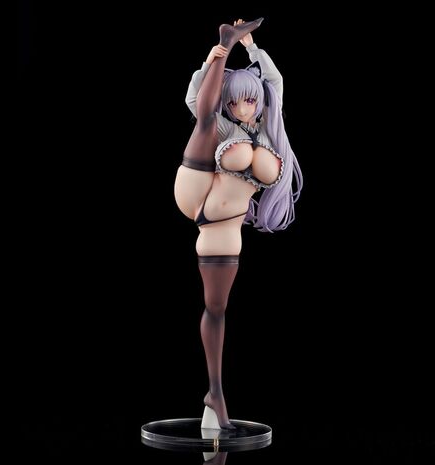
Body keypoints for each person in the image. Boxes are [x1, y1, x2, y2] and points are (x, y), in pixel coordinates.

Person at [174, 18, 303, 429]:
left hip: (221, 228)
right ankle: (222, 42)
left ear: (259, 102)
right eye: (235, 103)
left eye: (249, 101)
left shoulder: (269, 131)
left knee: (217, 308)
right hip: (195, 191)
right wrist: (218, 56)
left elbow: (275, 82)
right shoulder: (223, 124)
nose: (243, 108)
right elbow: (197, 101)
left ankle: (215, 393)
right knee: (205, 121)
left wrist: (254, 48)